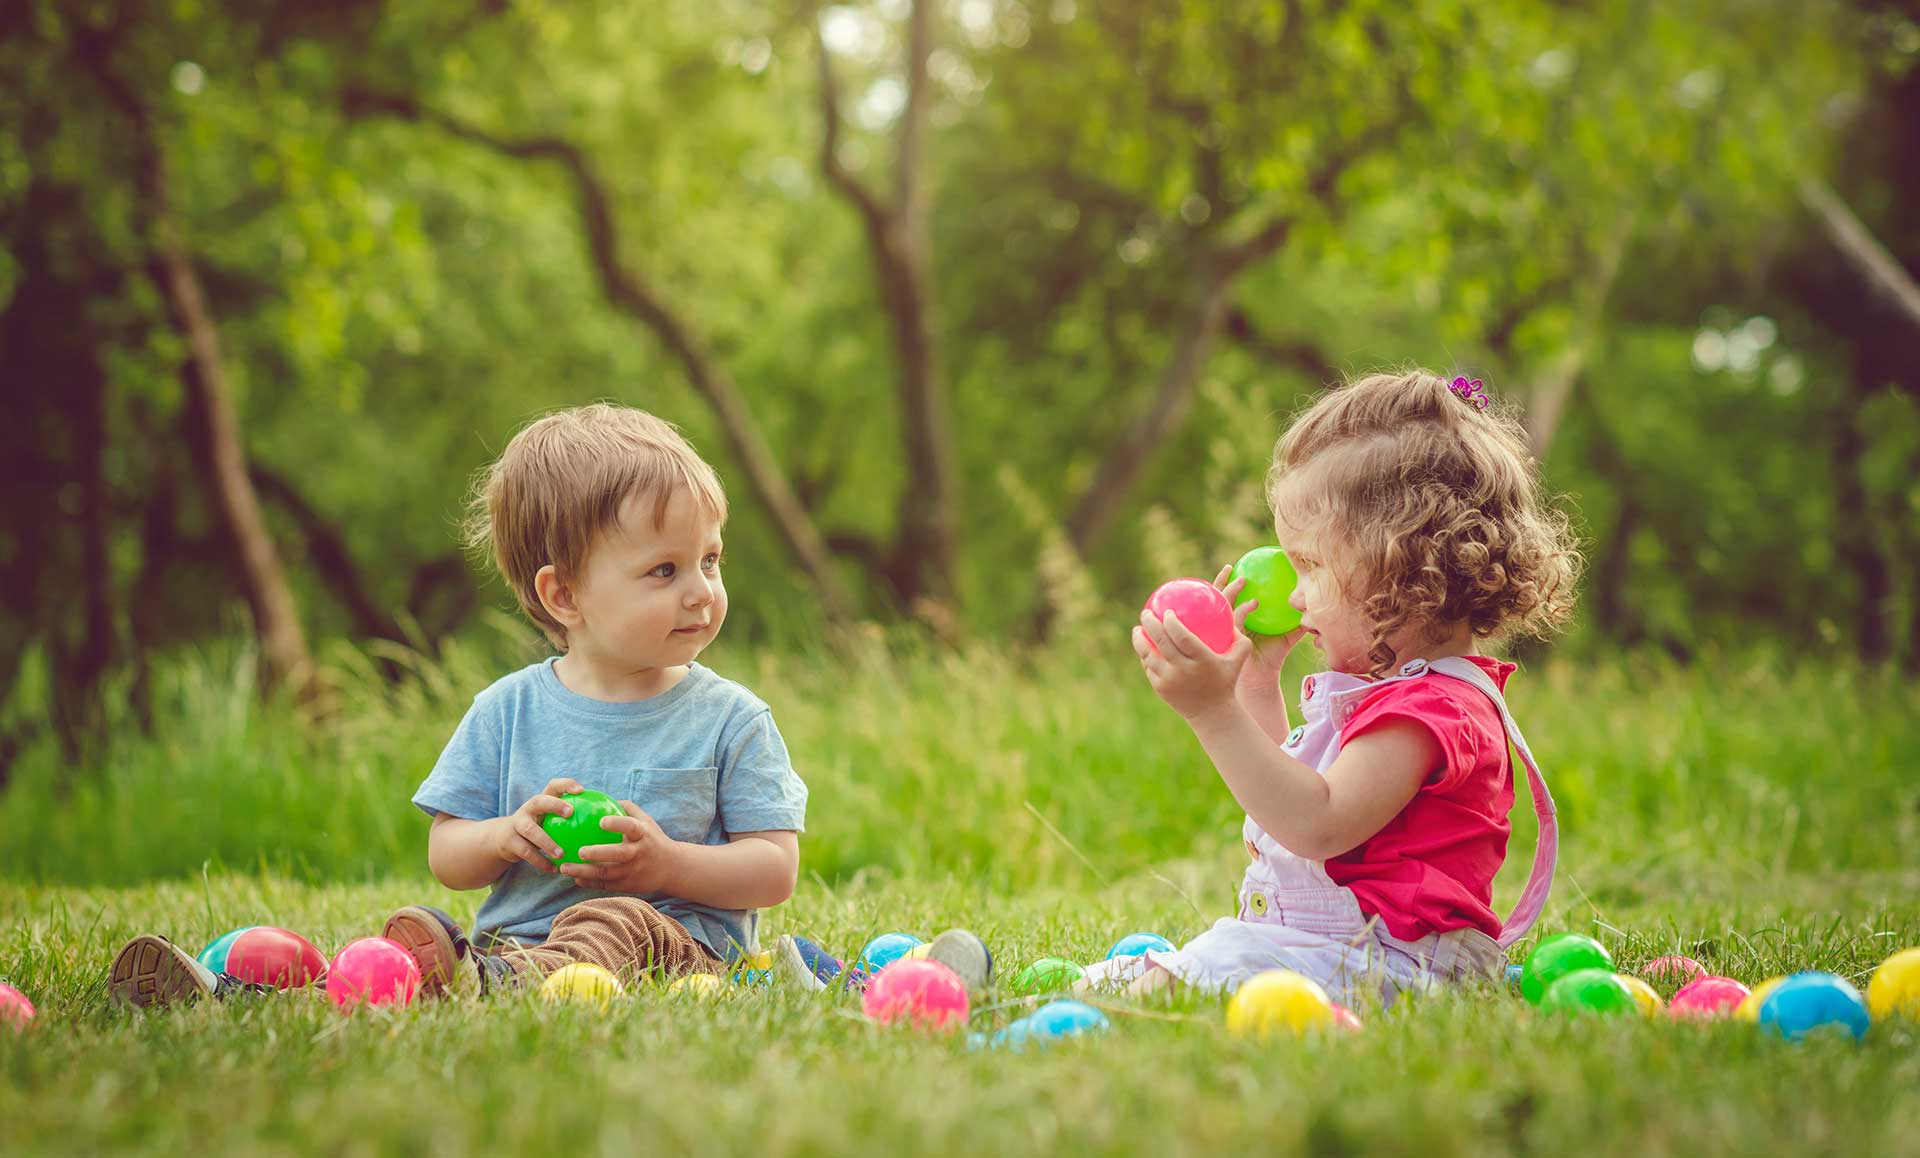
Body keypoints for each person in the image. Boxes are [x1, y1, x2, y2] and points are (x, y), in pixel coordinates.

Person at [108, 403, 825, 1007]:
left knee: (618, 917)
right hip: (513, 949)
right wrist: (506, 835)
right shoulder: (505, 710)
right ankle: (238, 984)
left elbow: (773, 868)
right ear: (563, 595)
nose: (701, 590)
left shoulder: (732, 719)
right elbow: (448, 853)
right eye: (664, 570)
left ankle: (475, 982)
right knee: (410, 950)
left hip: (676, 953)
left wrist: (666, 865)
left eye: (710, 559)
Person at [1079, 371, 1582, 1008]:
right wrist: (1257, 684)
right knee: (1139, 975)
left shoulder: (1433, 713)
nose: (1292, 595)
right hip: (1332, 950)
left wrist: (1211, 712)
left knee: (1188, 974)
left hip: (1397, 964)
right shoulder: (1392, 693)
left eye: (1311, 566)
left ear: (1402, 568)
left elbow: (1314, 824)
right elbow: (1282, 802)